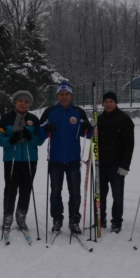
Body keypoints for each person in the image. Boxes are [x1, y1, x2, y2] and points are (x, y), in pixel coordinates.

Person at [37, 81, 93, 235]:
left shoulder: (77, 112)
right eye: (61, 94)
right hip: (55, 160)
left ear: (71, 96)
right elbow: (38, 135)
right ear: (57, 96)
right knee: (55, 192)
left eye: (67, 94)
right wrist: (45, 129)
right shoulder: (49, 112)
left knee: (75, 192)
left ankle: (74, 221)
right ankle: (57, 219)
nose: (64, 97)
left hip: (73, 160)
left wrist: (90, 128)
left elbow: (87, 134)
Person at [0, 90, 45, 234]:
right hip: (11, 159)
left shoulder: (34, 120)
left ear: (29, 104)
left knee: (26, 189)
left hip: (30, 159)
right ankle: (8, 216)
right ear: (15, 102)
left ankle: (21, 215)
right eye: (20, 101)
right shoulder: (6, 118)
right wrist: (10, 140)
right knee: (10, 189)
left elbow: (39, 141)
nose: (23, 104)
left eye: (26, 101)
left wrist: (31, 137)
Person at [96, 91, 135, 233]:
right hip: (101, 163)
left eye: (111, 101)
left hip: (117, 164)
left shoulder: (124, 119)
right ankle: (101, 218)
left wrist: (125, 165)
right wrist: (91, 128)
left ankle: (116, 221)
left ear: (116, 103)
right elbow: (93, 140)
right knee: (100, 194)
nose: (108, 104)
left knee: (117, 194)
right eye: (106, 101)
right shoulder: (99, 119)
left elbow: (129, 144)